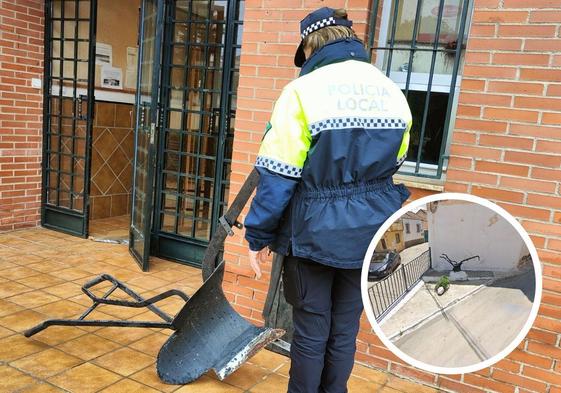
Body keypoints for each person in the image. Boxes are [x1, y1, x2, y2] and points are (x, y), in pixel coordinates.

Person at [243, 7, 412, 393]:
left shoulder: (301, 91)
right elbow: (398, 157)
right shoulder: (390, 89)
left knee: (311, 331)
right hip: (371, 232)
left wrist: (257, 236)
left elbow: (279, 173)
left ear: (310, 45)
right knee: (344, 331)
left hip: (314, 235)